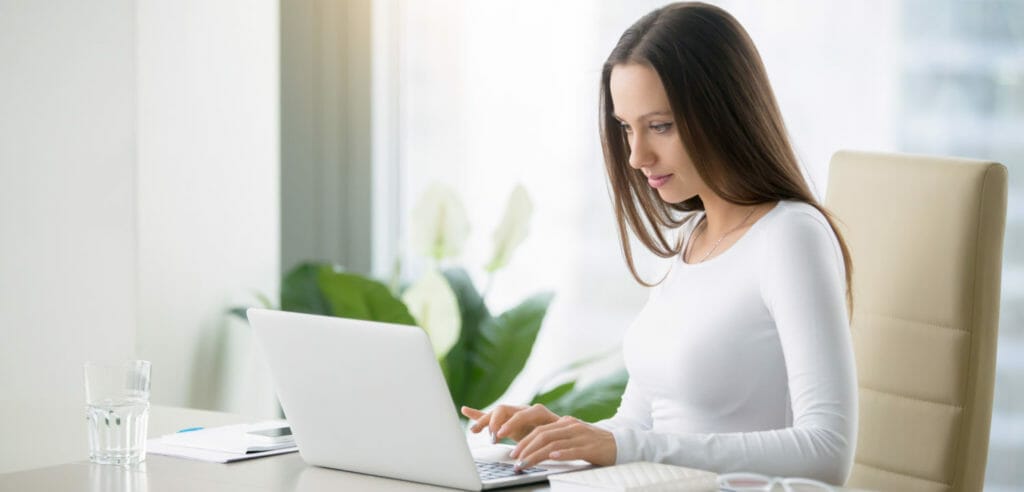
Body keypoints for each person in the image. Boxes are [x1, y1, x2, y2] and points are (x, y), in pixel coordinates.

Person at [461, 1, 857, 485]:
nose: (635, 155)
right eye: (626, 127)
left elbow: (826, 452)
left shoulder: (791, 236)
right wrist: (565, 437)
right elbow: (640, 425)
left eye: (660, 126)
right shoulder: (691, 240)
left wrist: (624, 444)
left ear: (724, 111)